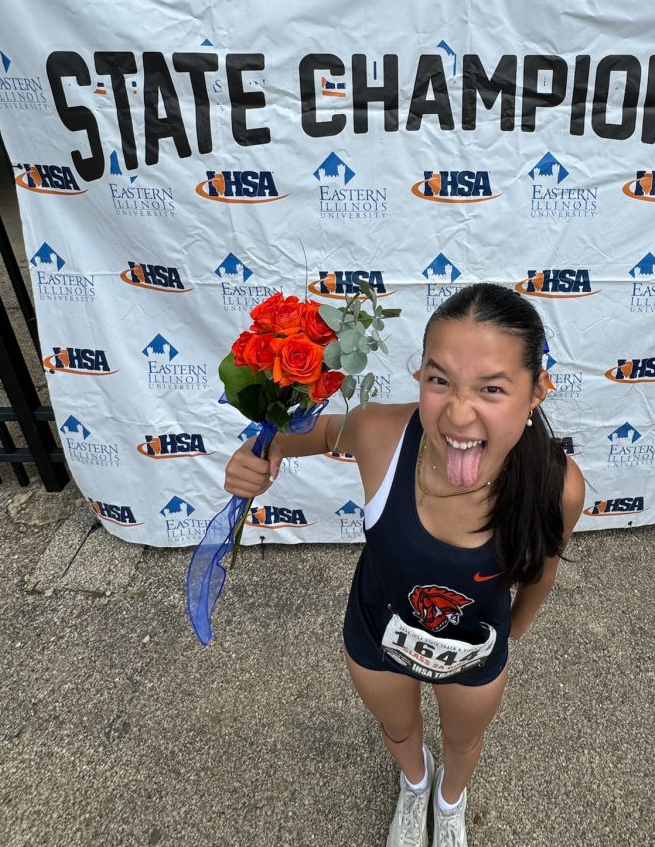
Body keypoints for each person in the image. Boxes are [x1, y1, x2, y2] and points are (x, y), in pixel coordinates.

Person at [224, 282, 585, 847]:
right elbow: (301, 434)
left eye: (492, 388)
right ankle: (415, 785)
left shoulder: (557, 486)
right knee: (398, 727)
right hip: (376, 633)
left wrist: (511, 633)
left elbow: (542, 572)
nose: (459, 414)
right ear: (420, 375)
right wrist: (254, 455)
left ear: (537, 390)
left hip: (473, 648)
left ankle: (449, 800)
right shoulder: (380, 433)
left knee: (463, 744)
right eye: (439, 381)